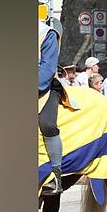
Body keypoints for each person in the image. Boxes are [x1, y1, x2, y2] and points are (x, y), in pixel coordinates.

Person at [38, 18, 63, 195]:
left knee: (47, 123)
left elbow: (47, 69)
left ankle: (55, 176)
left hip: (44, 88)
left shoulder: (47, 34)